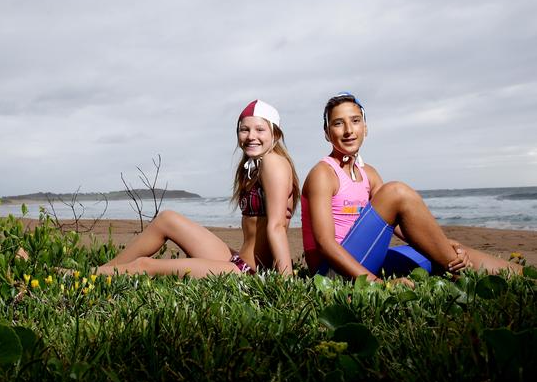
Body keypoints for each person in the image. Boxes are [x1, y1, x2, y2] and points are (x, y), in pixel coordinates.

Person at [301, 92, 522, 284]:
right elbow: (325, 244)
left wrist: (442, 244)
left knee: (448, 250)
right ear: (327, 132)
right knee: (396, 192)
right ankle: (462, 276)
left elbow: (397, 224)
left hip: (368, 259)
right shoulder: (323, 173)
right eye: (338, 123)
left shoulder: (368, 173)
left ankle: (524, 278)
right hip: (332, 274)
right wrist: (378, 284)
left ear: (365, 128)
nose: (349, 130)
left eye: (355, 121)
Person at [90, 99, 300, 277]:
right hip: (238, 260)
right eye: (244, 129)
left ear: (276, 134)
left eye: (260, 129)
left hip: (248, 273)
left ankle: (91, 275)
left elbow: (277, 226)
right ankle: (100, 273)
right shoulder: (252, 168)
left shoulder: (274, 163)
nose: (250, 136)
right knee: (167, 219)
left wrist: (285, 281)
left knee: (145, 266)